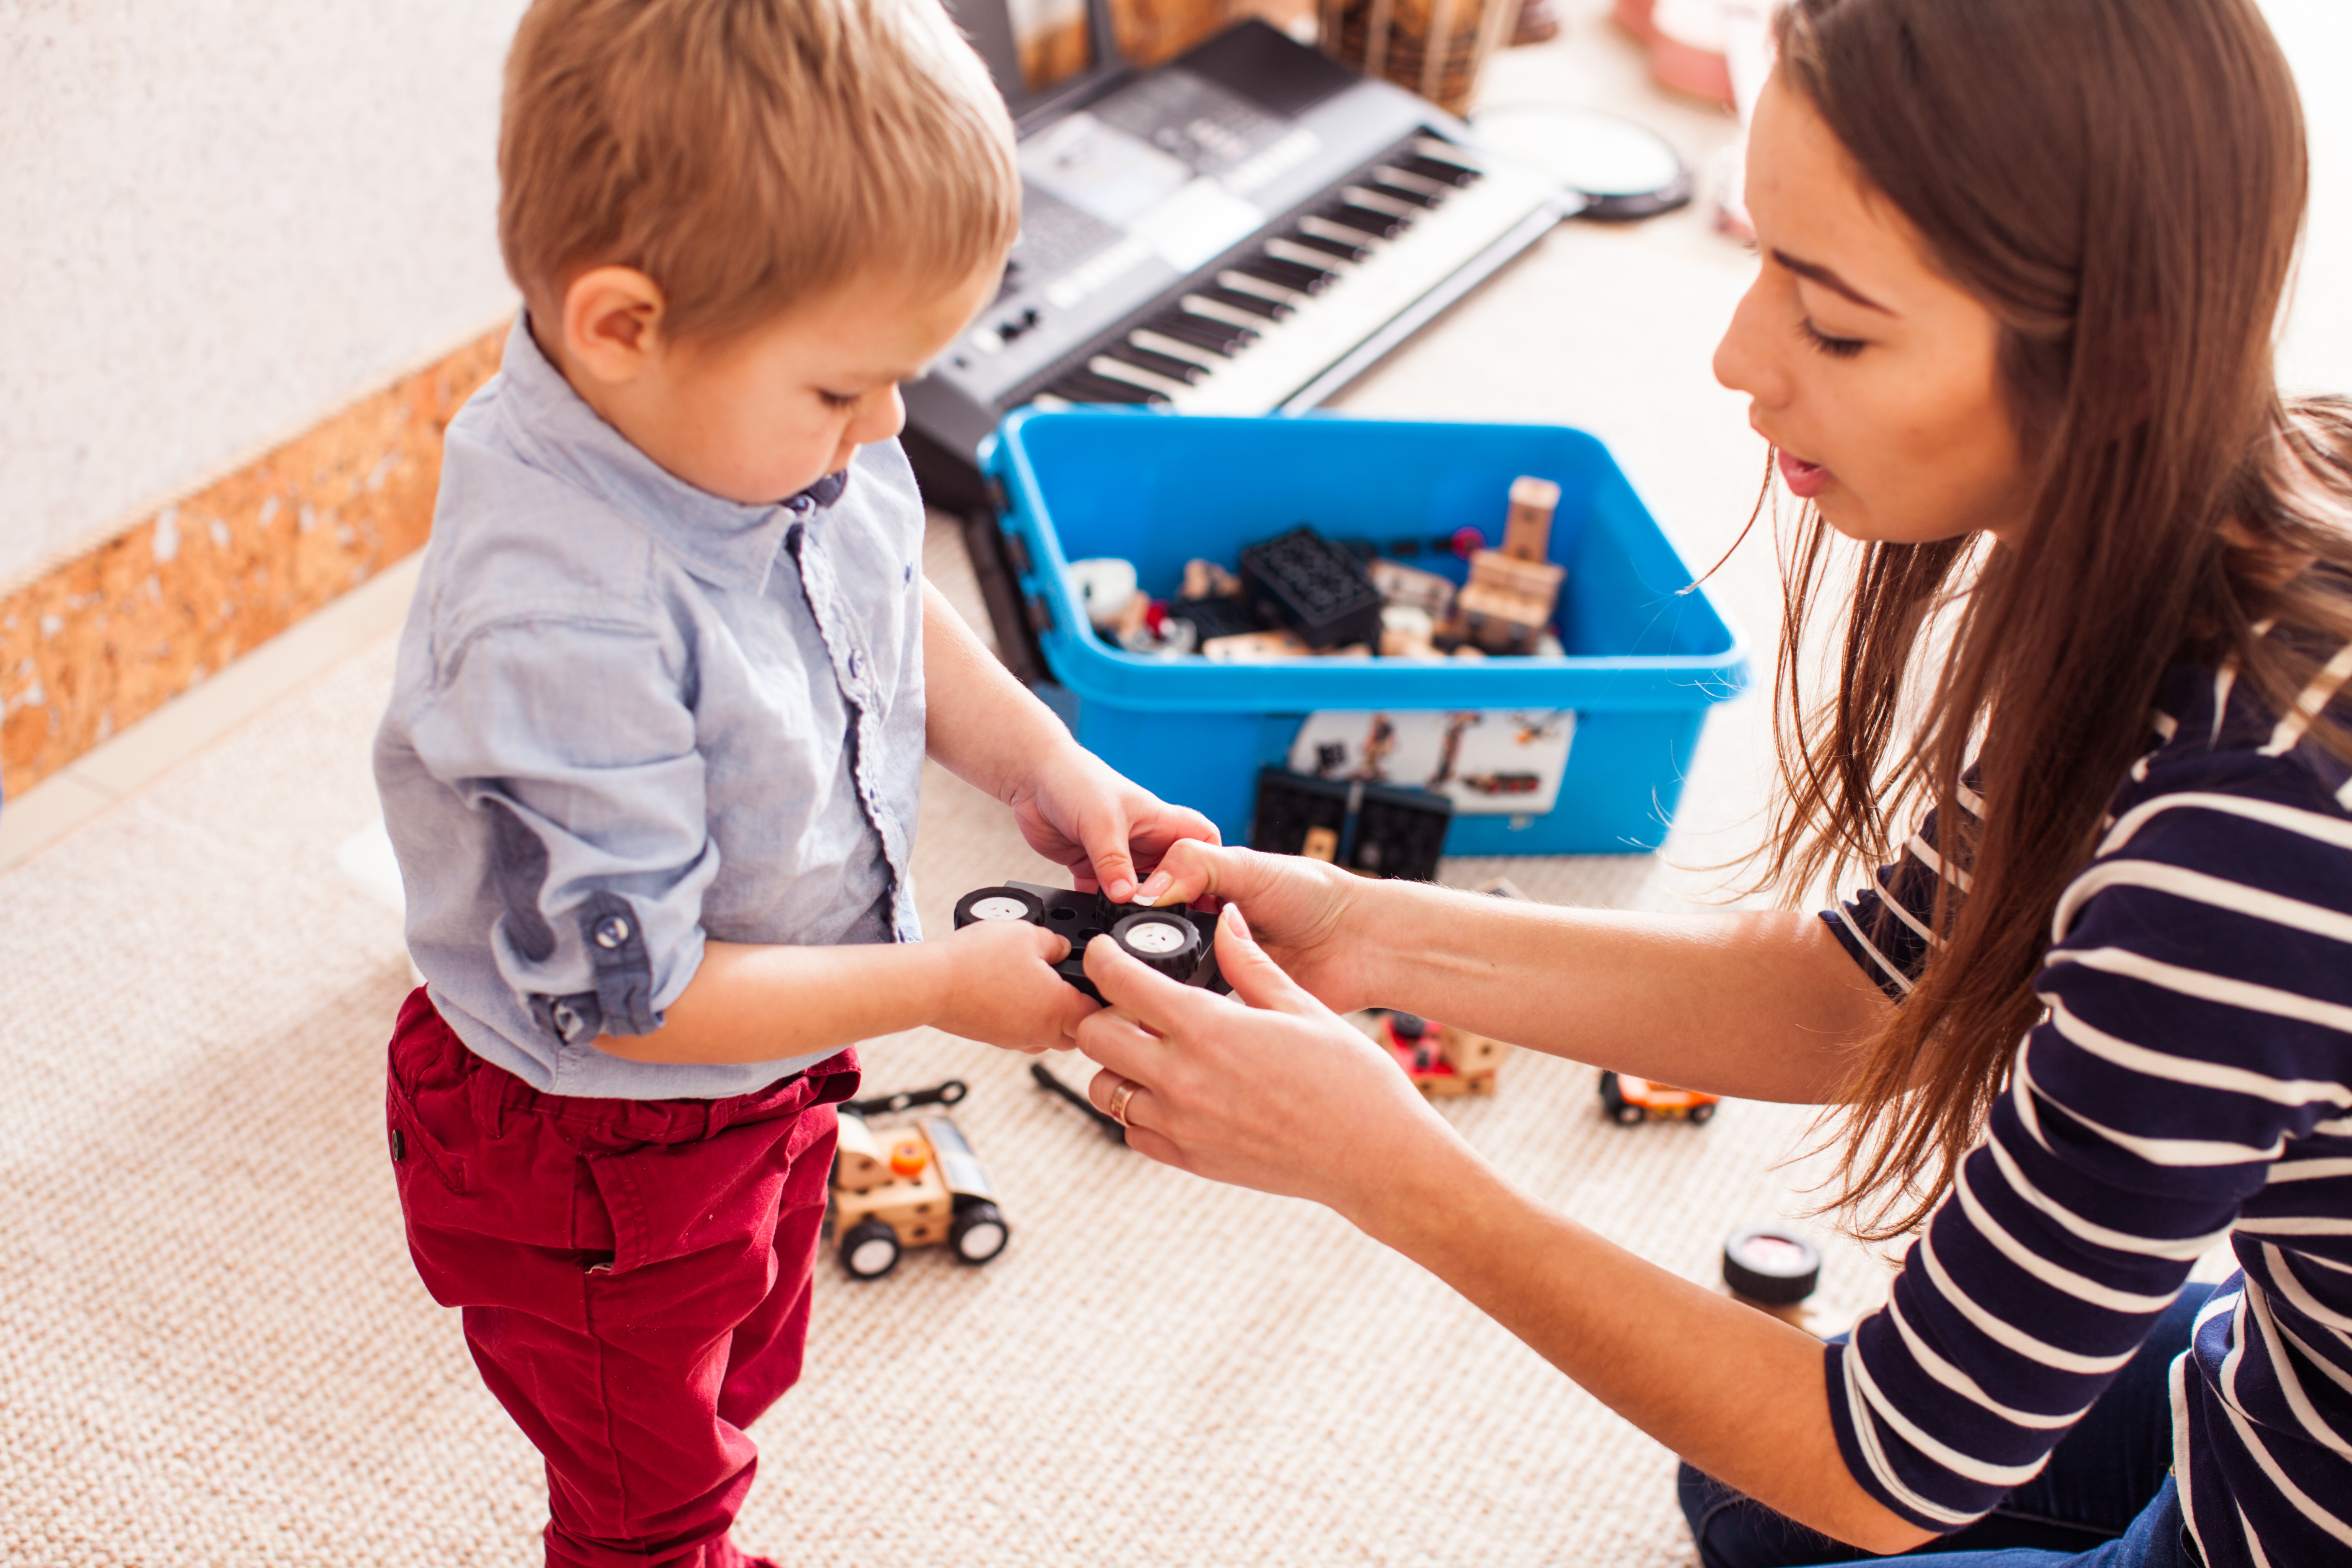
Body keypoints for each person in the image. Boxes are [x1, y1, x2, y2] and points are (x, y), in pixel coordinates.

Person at [1067, 2, 2352, 1565]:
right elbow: (1871, 994)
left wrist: (1388, 1170)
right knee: (1741, 1493)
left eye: (1839, 326)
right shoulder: (2250, 502)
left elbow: (1891, 1466)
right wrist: (1367, 932)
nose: (1739, 357)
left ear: (2124, 360)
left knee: (1800, 1478)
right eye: (1763, 259)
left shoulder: (2234, 843)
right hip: (2282, 1364)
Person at [369, 2, 1211, 1561]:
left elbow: (885, 598)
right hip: (597, 1143)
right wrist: (937, 988)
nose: (886, 427)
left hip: (766, 1069)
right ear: (623, 323)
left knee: (744, 1352)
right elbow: (643, 1003)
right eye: (847, 391)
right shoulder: (561, 620)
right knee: (650, 1479)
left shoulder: (770, 427)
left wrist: (1043, 755)